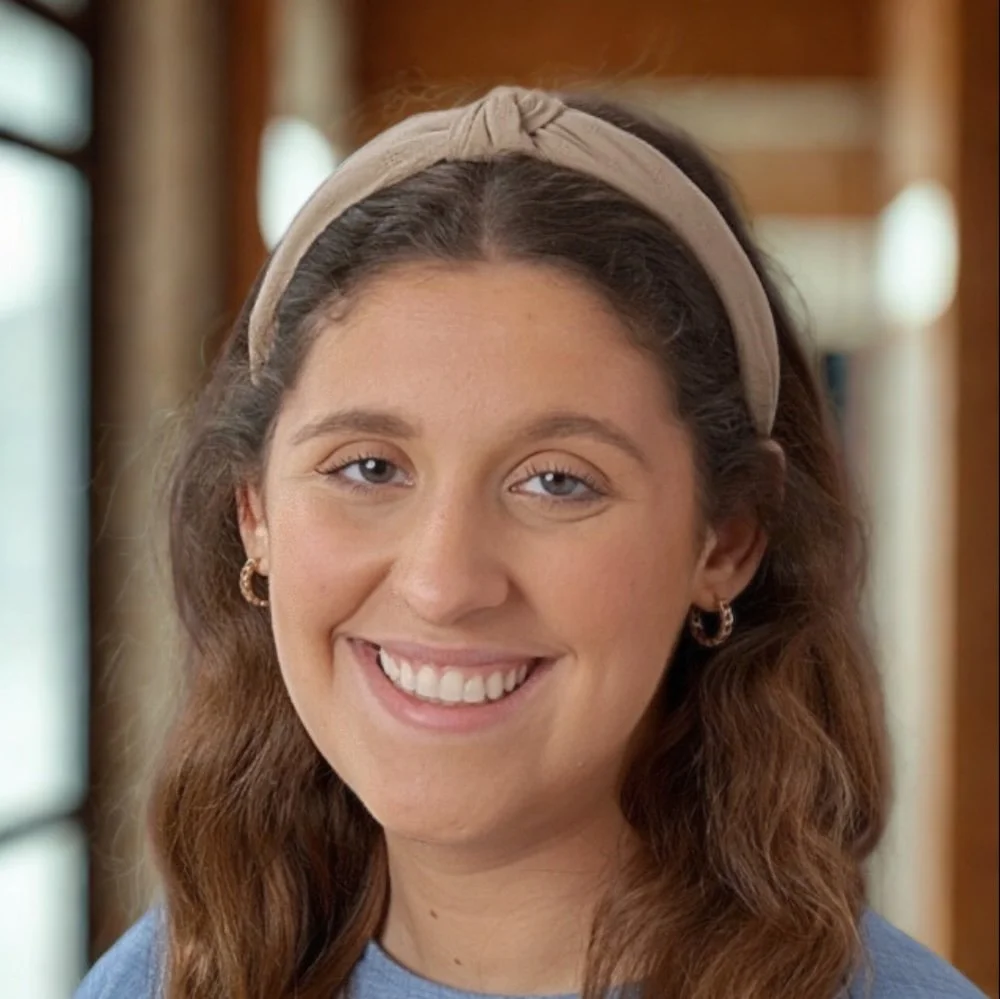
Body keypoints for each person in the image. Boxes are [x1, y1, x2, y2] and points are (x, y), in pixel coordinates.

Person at [74, 86, 986, 999]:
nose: (442, 581)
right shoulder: (164, 981)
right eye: (368, 467)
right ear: (254, 514)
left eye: (557, 480)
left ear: (727, 543)